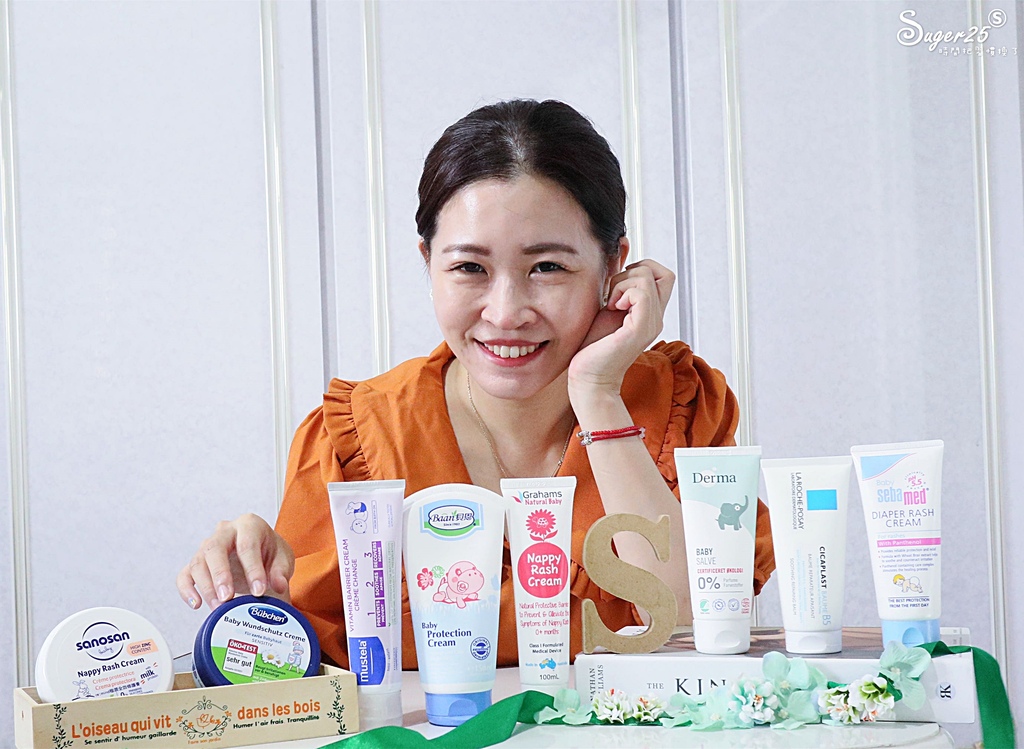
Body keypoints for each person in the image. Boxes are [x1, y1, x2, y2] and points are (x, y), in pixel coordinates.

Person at [177, 99, 776, 670]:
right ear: (428, 262)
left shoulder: (679, 408)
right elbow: (305, 658)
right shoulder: (355, 440)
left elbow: (692, 624)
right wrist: (254, 591)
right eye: (469, 267)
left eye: (547, 267)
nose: (505, 312)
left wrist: (598, 394)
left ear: (614, 266)